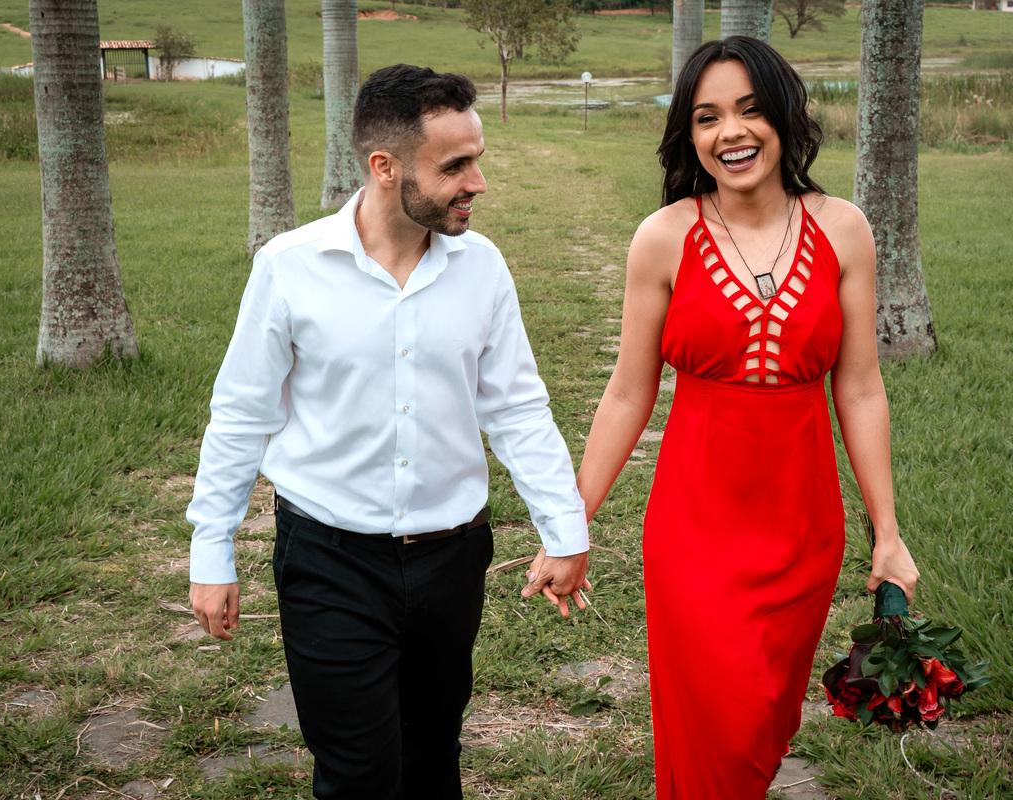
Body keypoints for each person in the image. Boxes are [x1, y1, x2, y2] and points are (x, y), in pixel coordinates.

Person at [185, 64, 590, 800]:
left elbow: (517, 410)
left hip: (453, 559)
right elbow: (242, 414)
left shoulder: (483, 268)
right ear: (384, 166)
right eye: (454, 166)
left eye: (477, 160)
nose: (477, 184)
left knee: (432, 757)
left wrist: (564, 531)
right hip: (329, 559)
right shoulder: (289, 267)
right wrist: (211, 549)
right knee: (357, 775)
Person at [553, 37, 922, 796]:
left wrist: (888, 534)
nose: (732, 132)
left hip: (803, 530)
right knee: (715, 727)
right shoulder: (664, 237)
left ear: (784, 116)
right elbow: (627, 393)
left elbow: (859, 389)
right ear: (689, 135)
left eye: (750, 110)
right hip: (692, 529)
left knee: (761, 725)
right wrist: (571, 525)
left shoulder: (844, 228)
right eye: (707, 116)